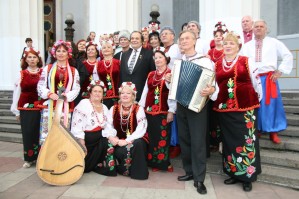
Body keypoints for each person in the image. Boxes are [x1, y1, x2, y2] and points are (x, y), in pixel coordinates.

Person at [166, 30, 215, 195]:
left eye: (187, 38)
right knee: (185, 140)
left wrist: (211, 89)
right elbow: (173, 88)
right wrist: (168, 81)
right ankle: (189, 171)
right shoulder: (177, 63)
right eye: (181, 40)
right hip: (181, 105)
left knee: (198, 142)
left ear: (194, 41)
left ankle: (199, 179)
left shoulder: (205, 61)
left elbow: (215, 87)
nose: (184, 41)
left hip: (197, 107)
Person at [213, 31, 262, 192]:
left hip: (245, 108)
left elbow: (256, 83)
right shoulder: (217, 64)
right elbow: (215, 86)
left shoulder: (246, 61)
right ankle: (234, 173)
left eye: (231, 43)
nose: (228, 46)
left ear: (238, 46)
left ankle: (247, 177)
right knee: (229, 142)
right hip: (225, 109)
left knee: (247, 140)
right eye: (226, 43)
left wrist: (256, 100)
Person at [242, 20, 293, 144]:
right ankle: (257, 129)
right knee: (256, 105)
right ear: (253, 29)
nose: (258, 28)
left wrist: (280, 71)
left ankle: (273, 131)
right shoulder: (247, 45)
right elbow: (241, 60)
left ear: (266, 29)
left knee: (271, 105)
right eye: (256, 26)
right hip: (253, 79)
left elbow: (288, 55)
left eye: (261, 26)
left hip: (269, 79)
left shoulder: (274, 42)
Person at [139, 50, 176, 172]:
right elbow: (146, 91)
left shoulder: (171, 73)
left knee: (162, 137)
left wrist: (171, 110)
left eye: (160, 57)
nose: (158, 60)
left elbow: (172, 93)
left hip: (163, 111)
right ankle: (153, 162)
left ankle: (163, 164)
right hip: (149, 110)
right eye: (155, 58)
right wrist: (140, 107)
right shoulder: (151, 74)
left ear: (166, 59)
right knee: (152, 137)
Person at [37, 40, 80, 144]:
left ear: (68, 53)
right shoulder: (48, 68)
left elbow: (76, 88)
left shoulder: (74, 71)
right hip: (50, 105)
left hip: (66, 106)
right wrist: (49, 94)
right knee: (48, 134)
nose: (61, 53)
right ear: (54, 53)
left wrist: (66, 96)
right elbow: (40, 85)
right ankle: (46, 158)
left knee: (64, 134)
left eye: (64, 51)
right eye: (58, 51)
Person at [71, 80, 117, 176]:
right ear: (90, 93)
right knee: (85, 167)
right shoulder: (84, 103)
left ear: (102, 94)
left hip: (99, 137)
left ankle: (103, 165)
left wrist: (111, 135)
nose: (97, 93)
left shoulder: (104, 107)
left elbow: (108, 125)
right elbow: (77, 124)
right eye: (95, 91)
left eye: (100, 92)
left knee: (108, 142)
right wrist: (81, 141)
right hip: (87, 139)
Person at [108, 82, 149, 180]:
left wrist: (127, 140)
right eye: (122, 93)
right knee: (105, 142)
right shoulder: (114, 108)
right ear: (119, 95)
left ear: (133, 96)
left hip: (135, 139)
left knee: (138, 144)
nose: (125, 95)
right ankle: (117, 168)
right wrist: (112, 137)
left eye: (128, 93)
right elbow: (108, 125)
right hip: (119, 140)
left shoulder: (139, 109)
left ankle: (138, 173)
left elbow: (141, 128)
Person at [11, 47, 43, 168]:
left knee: (39, 133)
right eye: (29, 57)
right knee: (28, 133)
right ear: (25, 59)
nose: (32, 59)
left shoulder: (43, 72)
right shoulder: (22, 74)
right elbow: (17, 92)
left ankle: (40, 157)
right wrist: (16, 111)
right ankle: (29, 158)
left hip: (40, 107)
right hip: (25, 108)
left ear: (38, 59)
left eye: (34, 57)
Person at [160, 26, 182, 158]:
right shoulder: (160, 49)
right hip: (162, 82)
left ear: (173, 36)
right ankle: (167, 142)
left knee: (173, 111)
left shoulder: (177, 48)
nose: (163, 35)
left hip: (174, 82)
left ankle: (175, 144)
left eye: (166, 33)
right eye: (162, 34)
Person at [119, 31, 155, 101]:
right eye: (132, 38)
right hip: (125, 95)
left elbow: (152, 73)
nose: (134, 40)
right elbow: (122, 74)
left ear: (142, 41)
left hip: (141, 95)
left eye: (137, 38)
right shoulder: (124, 54)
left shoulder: (149, 53)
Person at [97, 41, 120, 108]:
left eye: (109, 47)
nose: (106, 49)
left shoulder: (118, 62)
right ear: (101, 51)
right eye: (104, 48)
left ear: (112, 50)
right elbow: (96, 80)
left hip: (117, 95)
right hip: (103, 96)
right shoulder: (98, 64)